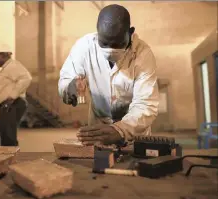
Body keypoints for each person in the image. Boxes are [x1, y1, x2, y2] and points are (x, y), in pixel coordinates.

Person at [58, 4, 159, 147]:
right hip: (97, 133)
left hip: (134, 134)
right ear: (98, 32)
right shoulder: (84, 47)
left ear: (130, 32)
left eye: (117, 43)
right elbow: (65, 81)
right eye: (104, 43)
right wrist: (71, 87)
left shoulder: (143, 54)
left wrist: (120, 130)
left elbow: (146, 104)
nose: (110, 50)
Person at [0, 51, 32, 146]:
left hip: (12, 104)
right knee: (5, 134)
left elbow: (26, 78)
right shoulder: (6, 68)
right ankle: (7, 156)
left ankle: (10, 158)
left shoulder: (13, 65)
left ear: (3, 56)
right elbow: (4, 85)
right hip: (8, 105)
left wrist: (12, 96)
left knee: (8, 135)